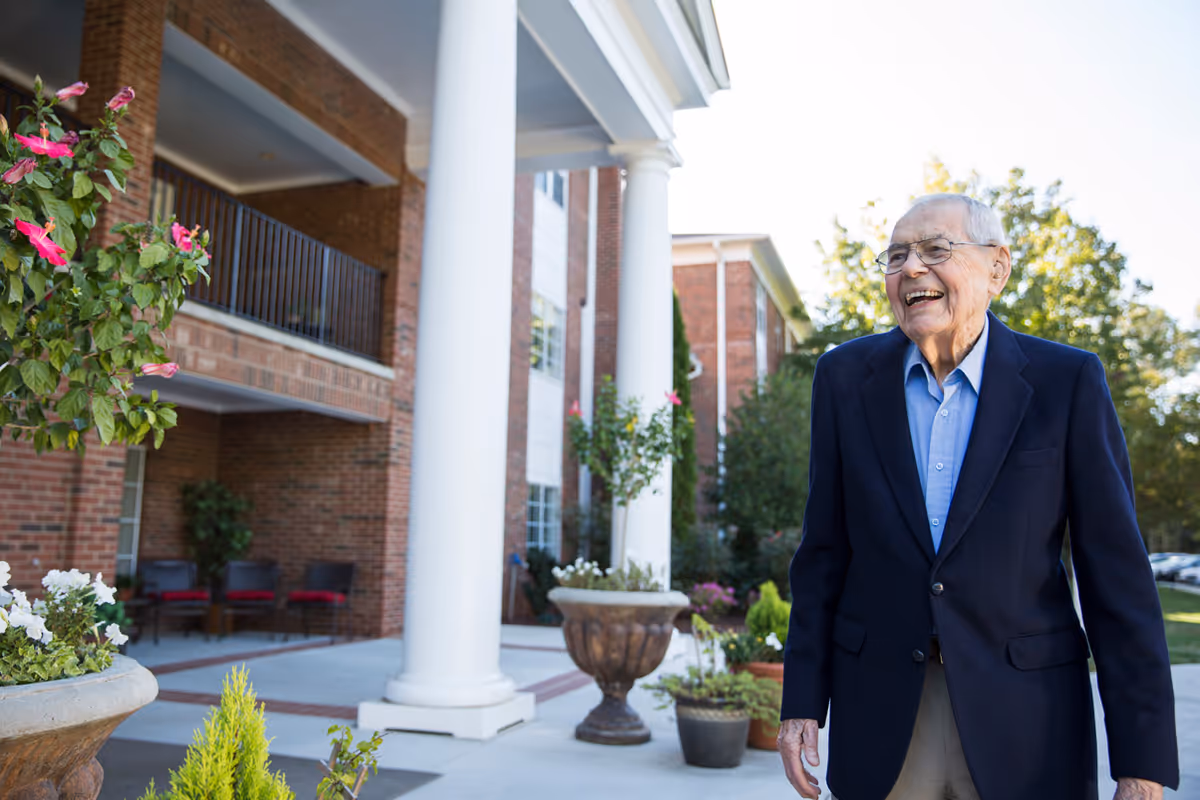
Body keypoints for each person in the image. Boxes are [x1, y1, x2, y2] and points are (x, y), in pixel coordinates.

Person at [776, 194, 1178, 800]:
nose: (911, 268)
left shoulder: (1066, 382)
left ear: (998, 268)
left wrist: (1141, 760)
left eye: (936, 250)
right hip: (882, 712)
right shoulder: (842, 378)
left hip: (1025, 721)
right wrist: (802, 702)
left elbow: (1116, 577)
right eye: (897, 256)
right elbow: (823, 554)